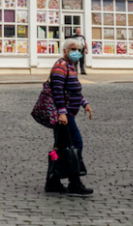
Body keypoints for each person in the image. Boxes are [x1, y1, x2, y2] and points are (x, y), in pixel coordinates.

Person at [45, 37, 94, 196]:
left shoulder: (70, 66)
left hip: (68, 113)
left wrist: (84, 102)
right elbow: (57, 91)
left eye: (78, 50)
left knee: (60, 147)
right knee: (76, 143)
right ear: (65, 50)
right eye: (73, 49)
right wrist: (62, 112)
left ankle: (53, 180)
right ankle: (74, 181)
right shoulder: (60, 66)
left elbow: (74, 90)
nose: (76, 52)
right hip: (65, 115)